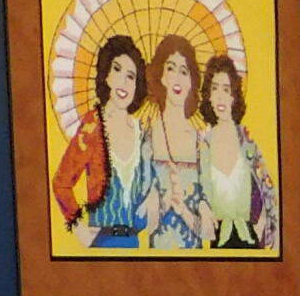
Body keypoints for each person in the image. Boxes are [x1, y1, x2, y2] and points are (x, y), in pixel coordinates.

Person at [50, 34, 156, 249]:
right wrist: (79, 229)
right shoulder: (92, 126)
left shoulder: (141, 131)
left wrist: (153, 198)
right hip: (103, 242)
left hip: (134, 243)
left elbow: (146, 192)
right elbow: (61, 182)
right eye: (116, 70)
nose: (123, 82)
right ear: (106, 75)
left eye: (131, 76)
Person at [196, 54, 279, 252]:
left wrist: (264, 221)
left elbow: (268, 190)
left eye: (226, 89)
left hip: (251, 240)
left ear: (234, 96)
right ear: (208, 95)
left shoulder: (247, 144)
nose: (220, 97)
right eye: (214, 89)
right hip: (216, 243)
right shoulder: (202, 145)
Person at [145, 35, 207, 249]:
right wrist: (160, 203)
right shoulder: (147, 137)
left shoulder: (201, 143)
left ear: (192, 81)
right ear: (160, 75)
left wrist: (184, 210)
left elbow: (208, 231)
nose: (177, 79)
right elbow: (142, 222)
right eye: (171, 69)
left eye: (184, 71)